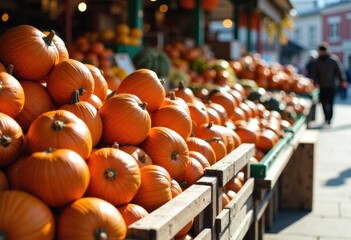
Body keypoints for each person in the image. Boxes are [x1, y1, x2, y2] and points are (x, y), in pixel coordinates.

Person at [311, 42, 348, 125]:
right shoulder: (317, 61)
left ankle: (329, 118)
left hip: (331, 85)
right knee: (323, 102)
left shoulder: (333, 60)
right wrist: (316, 83)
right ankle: (326, 117)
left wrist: (343, 81)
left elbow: (339, 71)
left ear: (324, 51)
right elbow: (314, 74)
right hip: (321, 86)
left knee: (330, 102)